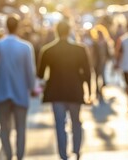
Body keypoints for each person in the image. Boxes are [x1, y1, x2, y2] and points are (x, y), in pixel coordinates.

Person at [0, 14, 37, 160]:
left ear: (5, 27)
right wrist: (32, 88)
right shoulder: (26, 47)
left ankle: (9, 155)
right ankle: (19, 156)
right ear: (18, 27)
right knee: (21, 129)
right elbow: (30, 72)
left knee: (4, 128)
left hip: (2, 93)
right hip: (21, 94)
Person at [38, 20, 91, 160]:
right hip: (75, 90)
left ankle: (63, 155)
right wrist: (90, 92)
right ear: (69, 31)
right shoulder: (80, 49)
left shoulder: (47, 50)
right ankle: (77, 150)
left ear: (56, 32)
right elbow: (87, 72)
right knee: (76, 122)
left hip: (56, 92)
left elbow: (40, 74)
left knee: (60, 125)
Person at [90, 24, 112, 100]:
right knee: (96, 76)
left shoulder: (105, 42)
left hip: (103, 62)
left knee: (102, 76)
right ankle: (97, 91)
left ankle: (101, 89)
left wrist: (108, 58)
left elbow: (108, 52)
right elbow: (92, 53)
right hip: (96, 62)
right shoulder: (95, 42)